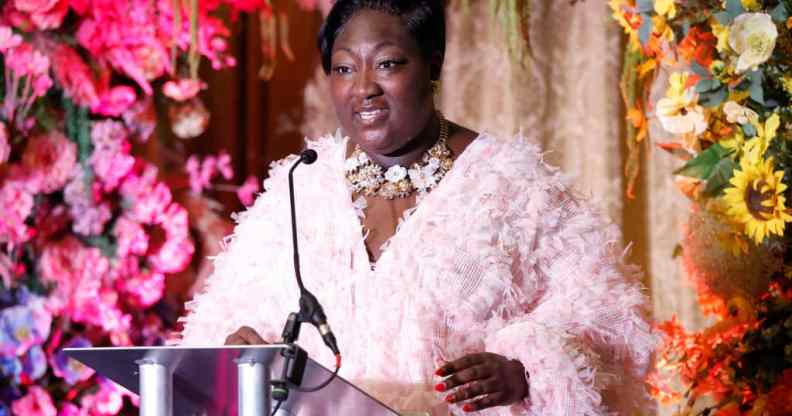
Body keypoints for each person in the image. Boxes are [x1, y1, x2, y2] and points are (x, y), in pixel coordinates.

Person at [178, 0, 656, 414]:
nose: (363, 87)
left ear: (432, 64)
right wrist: (234, 351)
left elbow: (612, 330)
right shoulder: (299, 186)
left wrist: (524, 372)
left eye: (386, 64)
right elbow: (218, 323)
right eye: (344, 68)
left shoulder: (515, 188)